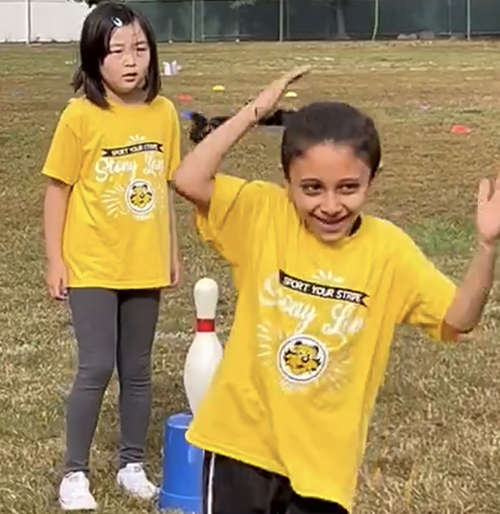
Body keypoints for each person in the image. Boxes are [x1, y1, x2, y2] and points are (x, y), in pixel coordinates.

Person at [172, 66, 500, 514]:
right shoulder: (264, 214)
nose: (330, 205)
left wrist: (485, 247)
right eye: (311, 188)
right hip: (240, 447)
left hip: (323, 469)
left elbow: (459, 319)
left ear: (371, 183)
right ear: (286, 183)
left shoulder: (389, 251)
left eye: (348, 188)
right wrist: (254, 113)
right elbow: (189, 180)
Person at [41, 2, 181, 510]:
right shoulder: (80, 116)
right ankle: (73, 474)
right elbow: (57, 191)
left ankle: (131, 464)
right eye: (117, 51)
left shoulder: (164, 114)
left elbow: (164, 187)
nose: (131, 61)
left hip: (144, 263)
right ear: (94, 59)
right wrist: (56, 261)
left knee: (137, 369)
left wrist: (171, 251)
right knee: (97, 367)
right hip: (93, 264)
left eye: (140, 49)